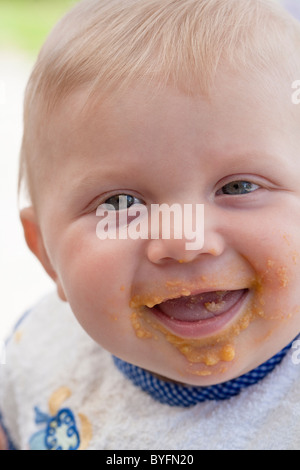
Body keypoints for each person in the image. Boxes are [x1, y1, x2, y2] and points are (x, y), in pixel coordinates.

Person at [1, 0, 300, 450]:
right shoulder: (44, 353)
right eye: (121, 202)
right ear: (44, 252)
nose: (185, 241)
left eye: (238, 187)